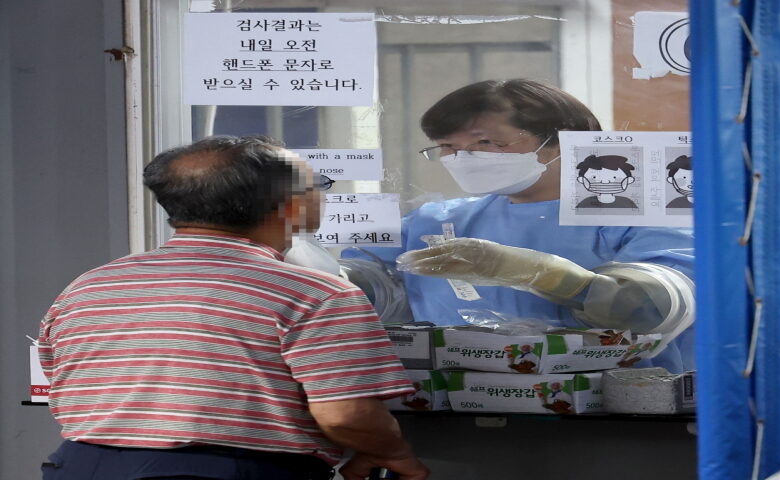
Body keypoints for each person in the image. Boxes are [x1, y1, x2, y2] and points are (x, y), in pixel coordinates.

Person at [37, 136, 429, 480]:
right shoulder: (315, 293)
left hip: (80, 463)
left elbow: (59, 383)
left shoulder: (90, 285)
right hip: (221, 470)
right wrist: (391, 452)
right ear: (291, 207)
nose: (324, 194)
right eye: (318, 185)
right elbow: (345, 415)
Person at [341, 79, 695, 373]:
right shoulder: (438, 219)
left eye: (486, 142)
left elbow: (653, 308)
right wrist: (326, 274)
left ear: (561, 141)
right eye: (448, 146)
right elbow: (374, 291)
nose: (463, 157)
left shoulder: (641, 219)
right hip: (452, 407)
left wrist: (546, 276)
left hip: (610, 412)